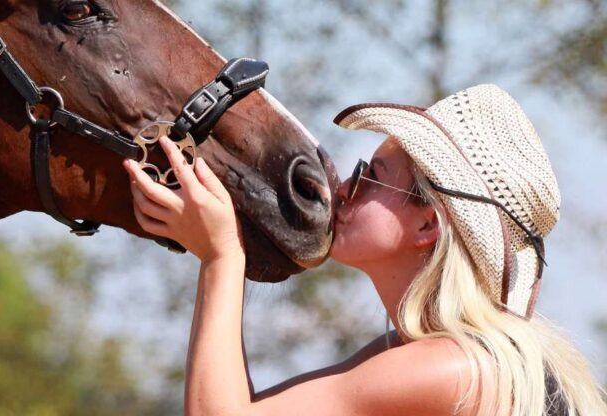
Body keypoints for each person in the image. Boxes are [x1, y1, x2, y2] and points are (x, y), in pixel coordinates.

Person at [122, 85, 607, 415]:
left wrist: (222, 257)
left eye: (371, 175)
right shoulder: (428, 354)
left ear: (427, 223)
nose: (344, 188)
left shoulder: (451, 369)